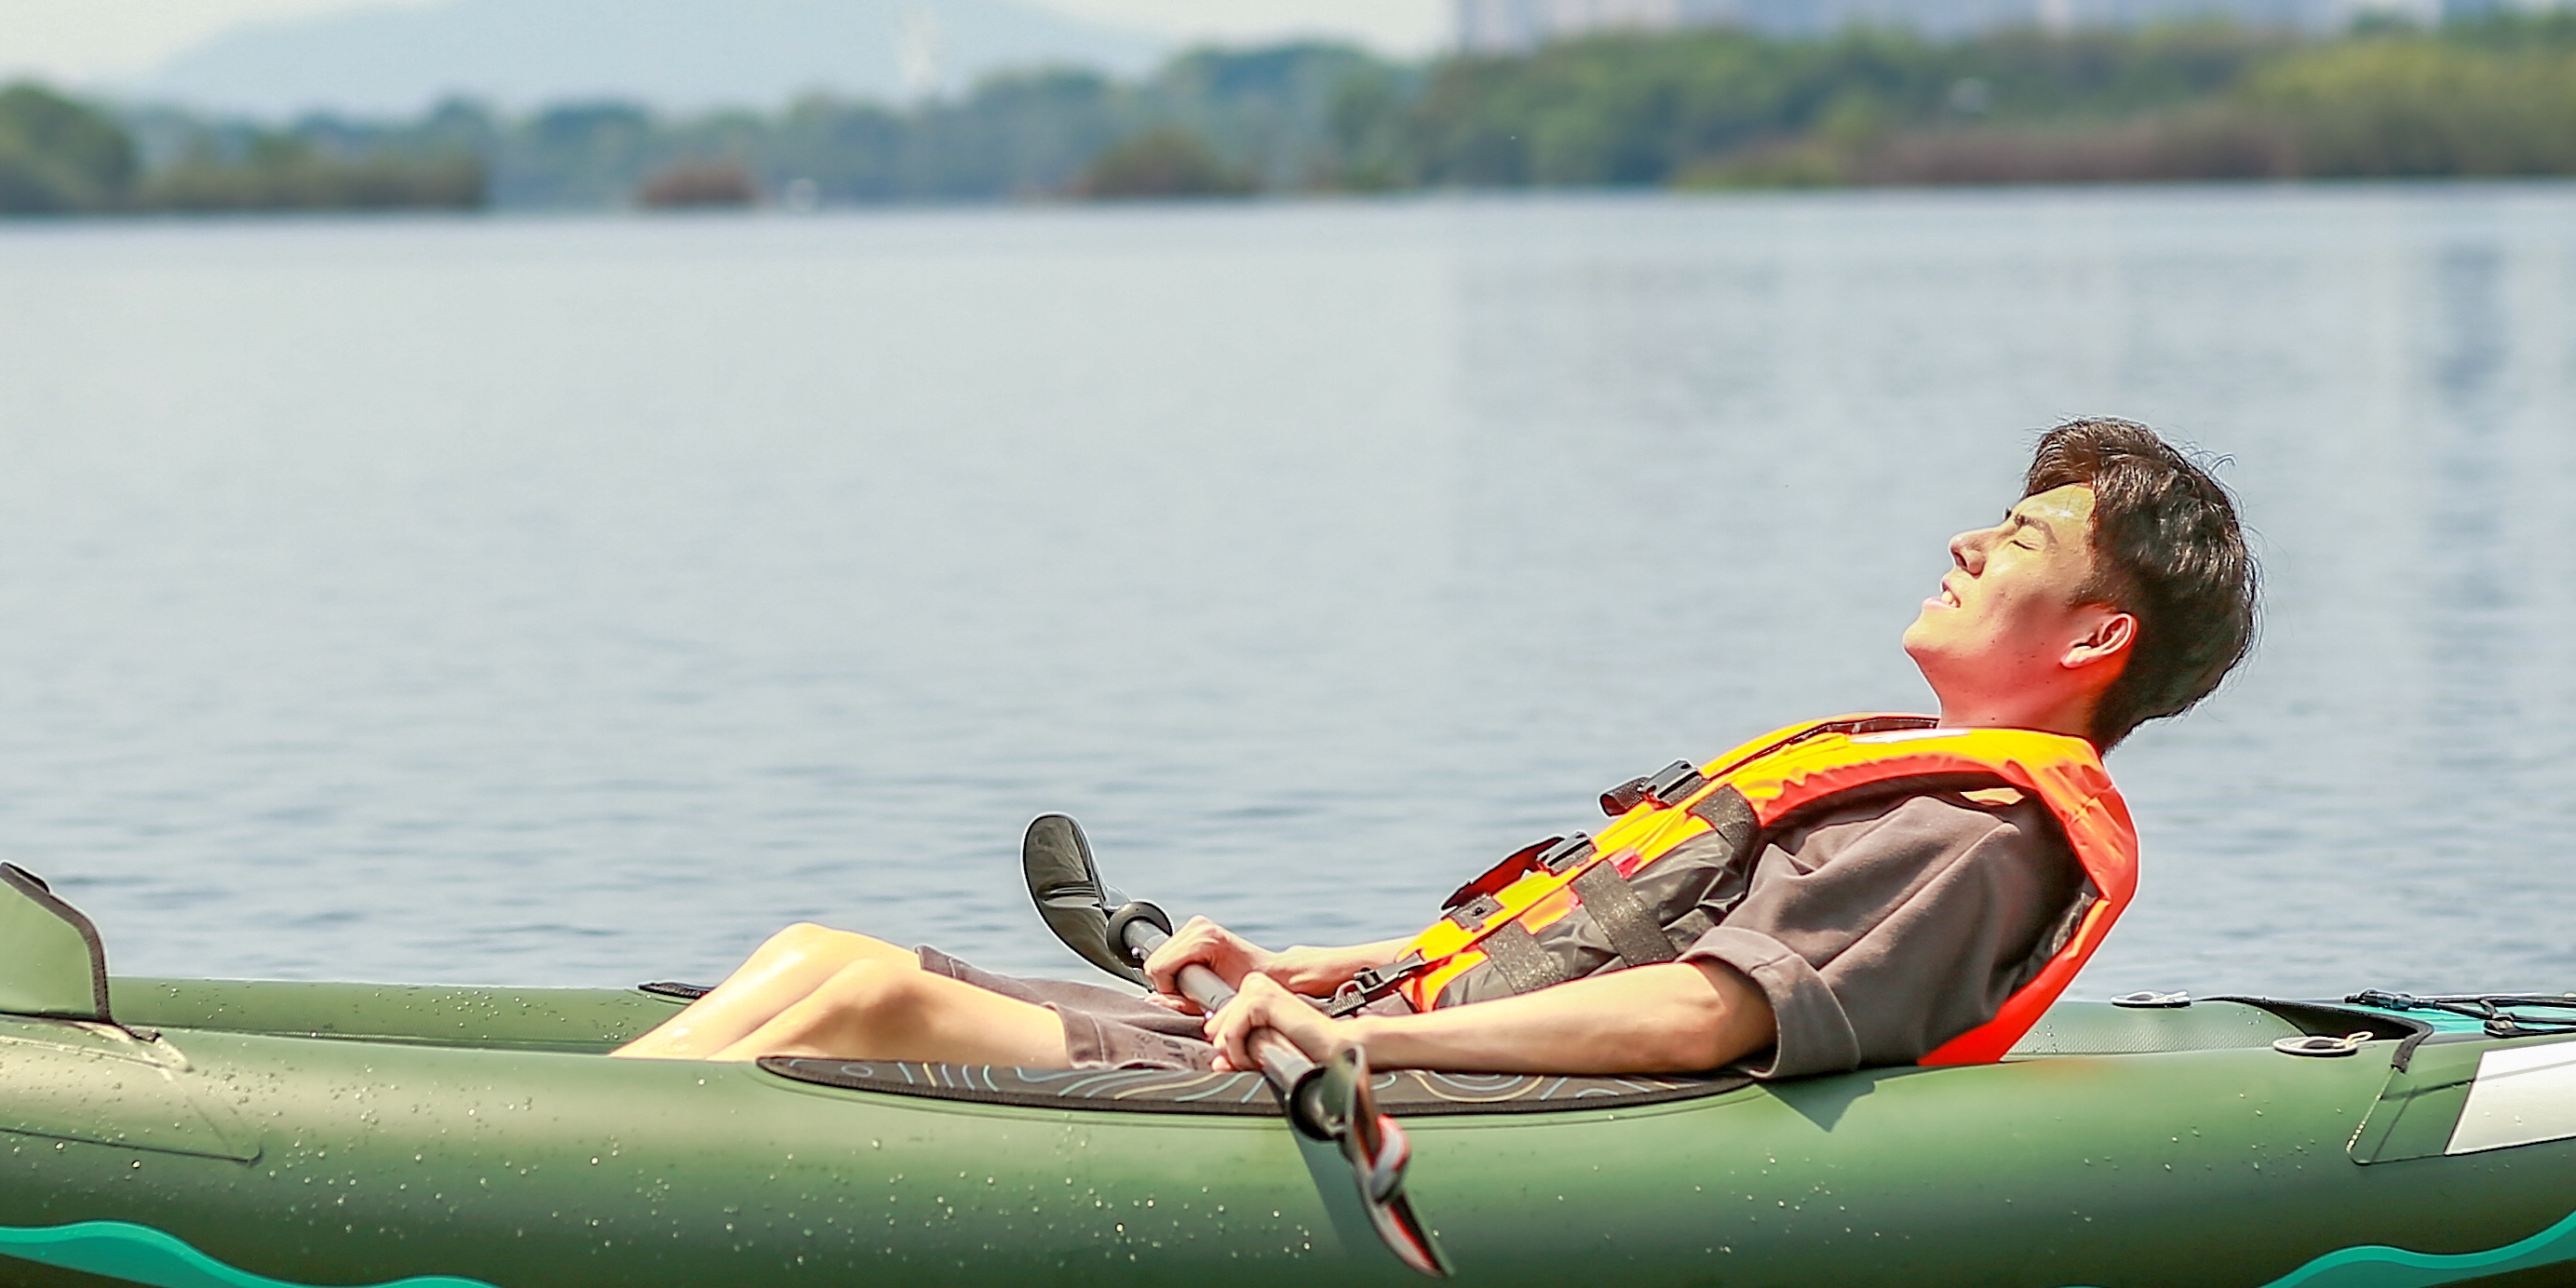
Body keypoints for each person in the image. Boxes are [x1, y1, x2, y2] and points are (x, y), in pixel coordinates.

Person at [614, 416, 2256, 1085]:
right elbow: (1638, 931)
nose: (1970, 537)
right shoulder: (1901, 772)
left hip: (1438, 1127)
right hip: (1365, 1047)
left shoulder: (1975, 833)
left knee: (858, 999)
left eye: (2023, 534)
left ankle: (471, 1204)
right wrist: (1342, 972)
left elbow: (1709, 1011)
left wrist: (1366, 1054)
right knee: (816, 954)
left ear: (2096, 636)